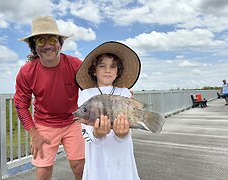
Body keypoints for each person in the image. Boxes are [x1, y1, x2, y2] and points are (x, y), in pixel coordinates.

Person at [13, 16, 85, 180]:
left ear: (60, 43)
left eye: (52, 39)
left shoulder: (75, 65)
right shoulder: (26, 72)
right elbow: (21, 105)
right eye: (40, 41)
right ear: (34, 47)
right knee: (43, 171)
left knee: (79, 166)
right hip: (44, 124)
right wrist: (34, 135)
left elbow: (93, 88)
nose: (47, 45)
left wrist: (119, 92)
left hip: (73, 121)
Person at [76, 41, 141, 180]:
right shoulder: (85, 94)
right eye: (102, 66)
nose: (108, 70)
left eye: (113, 66)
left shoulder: (124, 92)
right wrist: (96, 133)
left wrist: (121, 134)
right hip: (97, 158)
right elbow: (85, 132)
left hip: (122, 155)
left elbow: (127, 123)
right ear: (94, 70)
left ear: (118, 72)